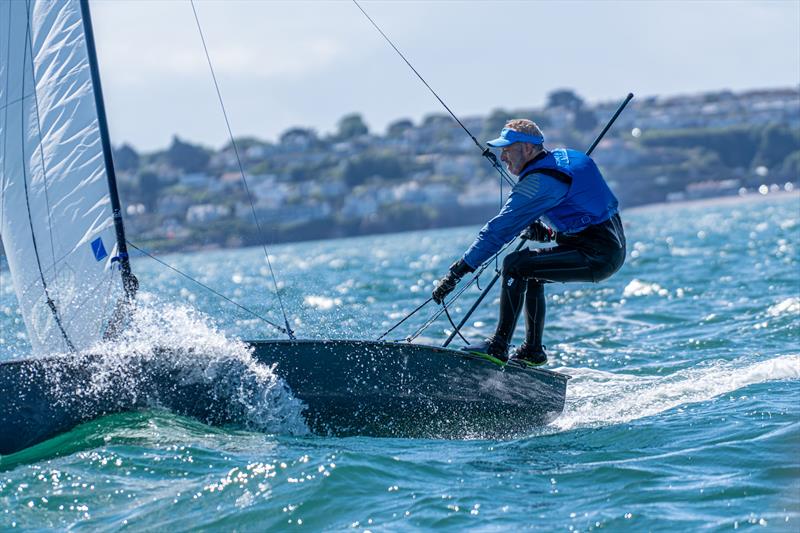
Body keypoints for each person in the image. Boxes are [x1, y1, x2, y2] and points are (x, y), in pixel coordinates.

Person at [431, 119, 626, 366]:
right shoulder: (567, 157)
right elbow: (583, 211)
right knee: (532, 270)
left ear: (526, 148)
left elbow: (497, 231)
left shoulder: (540, 182)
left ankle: (498, 346)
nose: (502, 157)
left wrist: (458, 271)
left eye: (507, 149)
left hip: (597, 255)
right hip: (606, 247)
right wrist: (550, 233)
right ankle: (532, 351)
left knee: (515, 264)